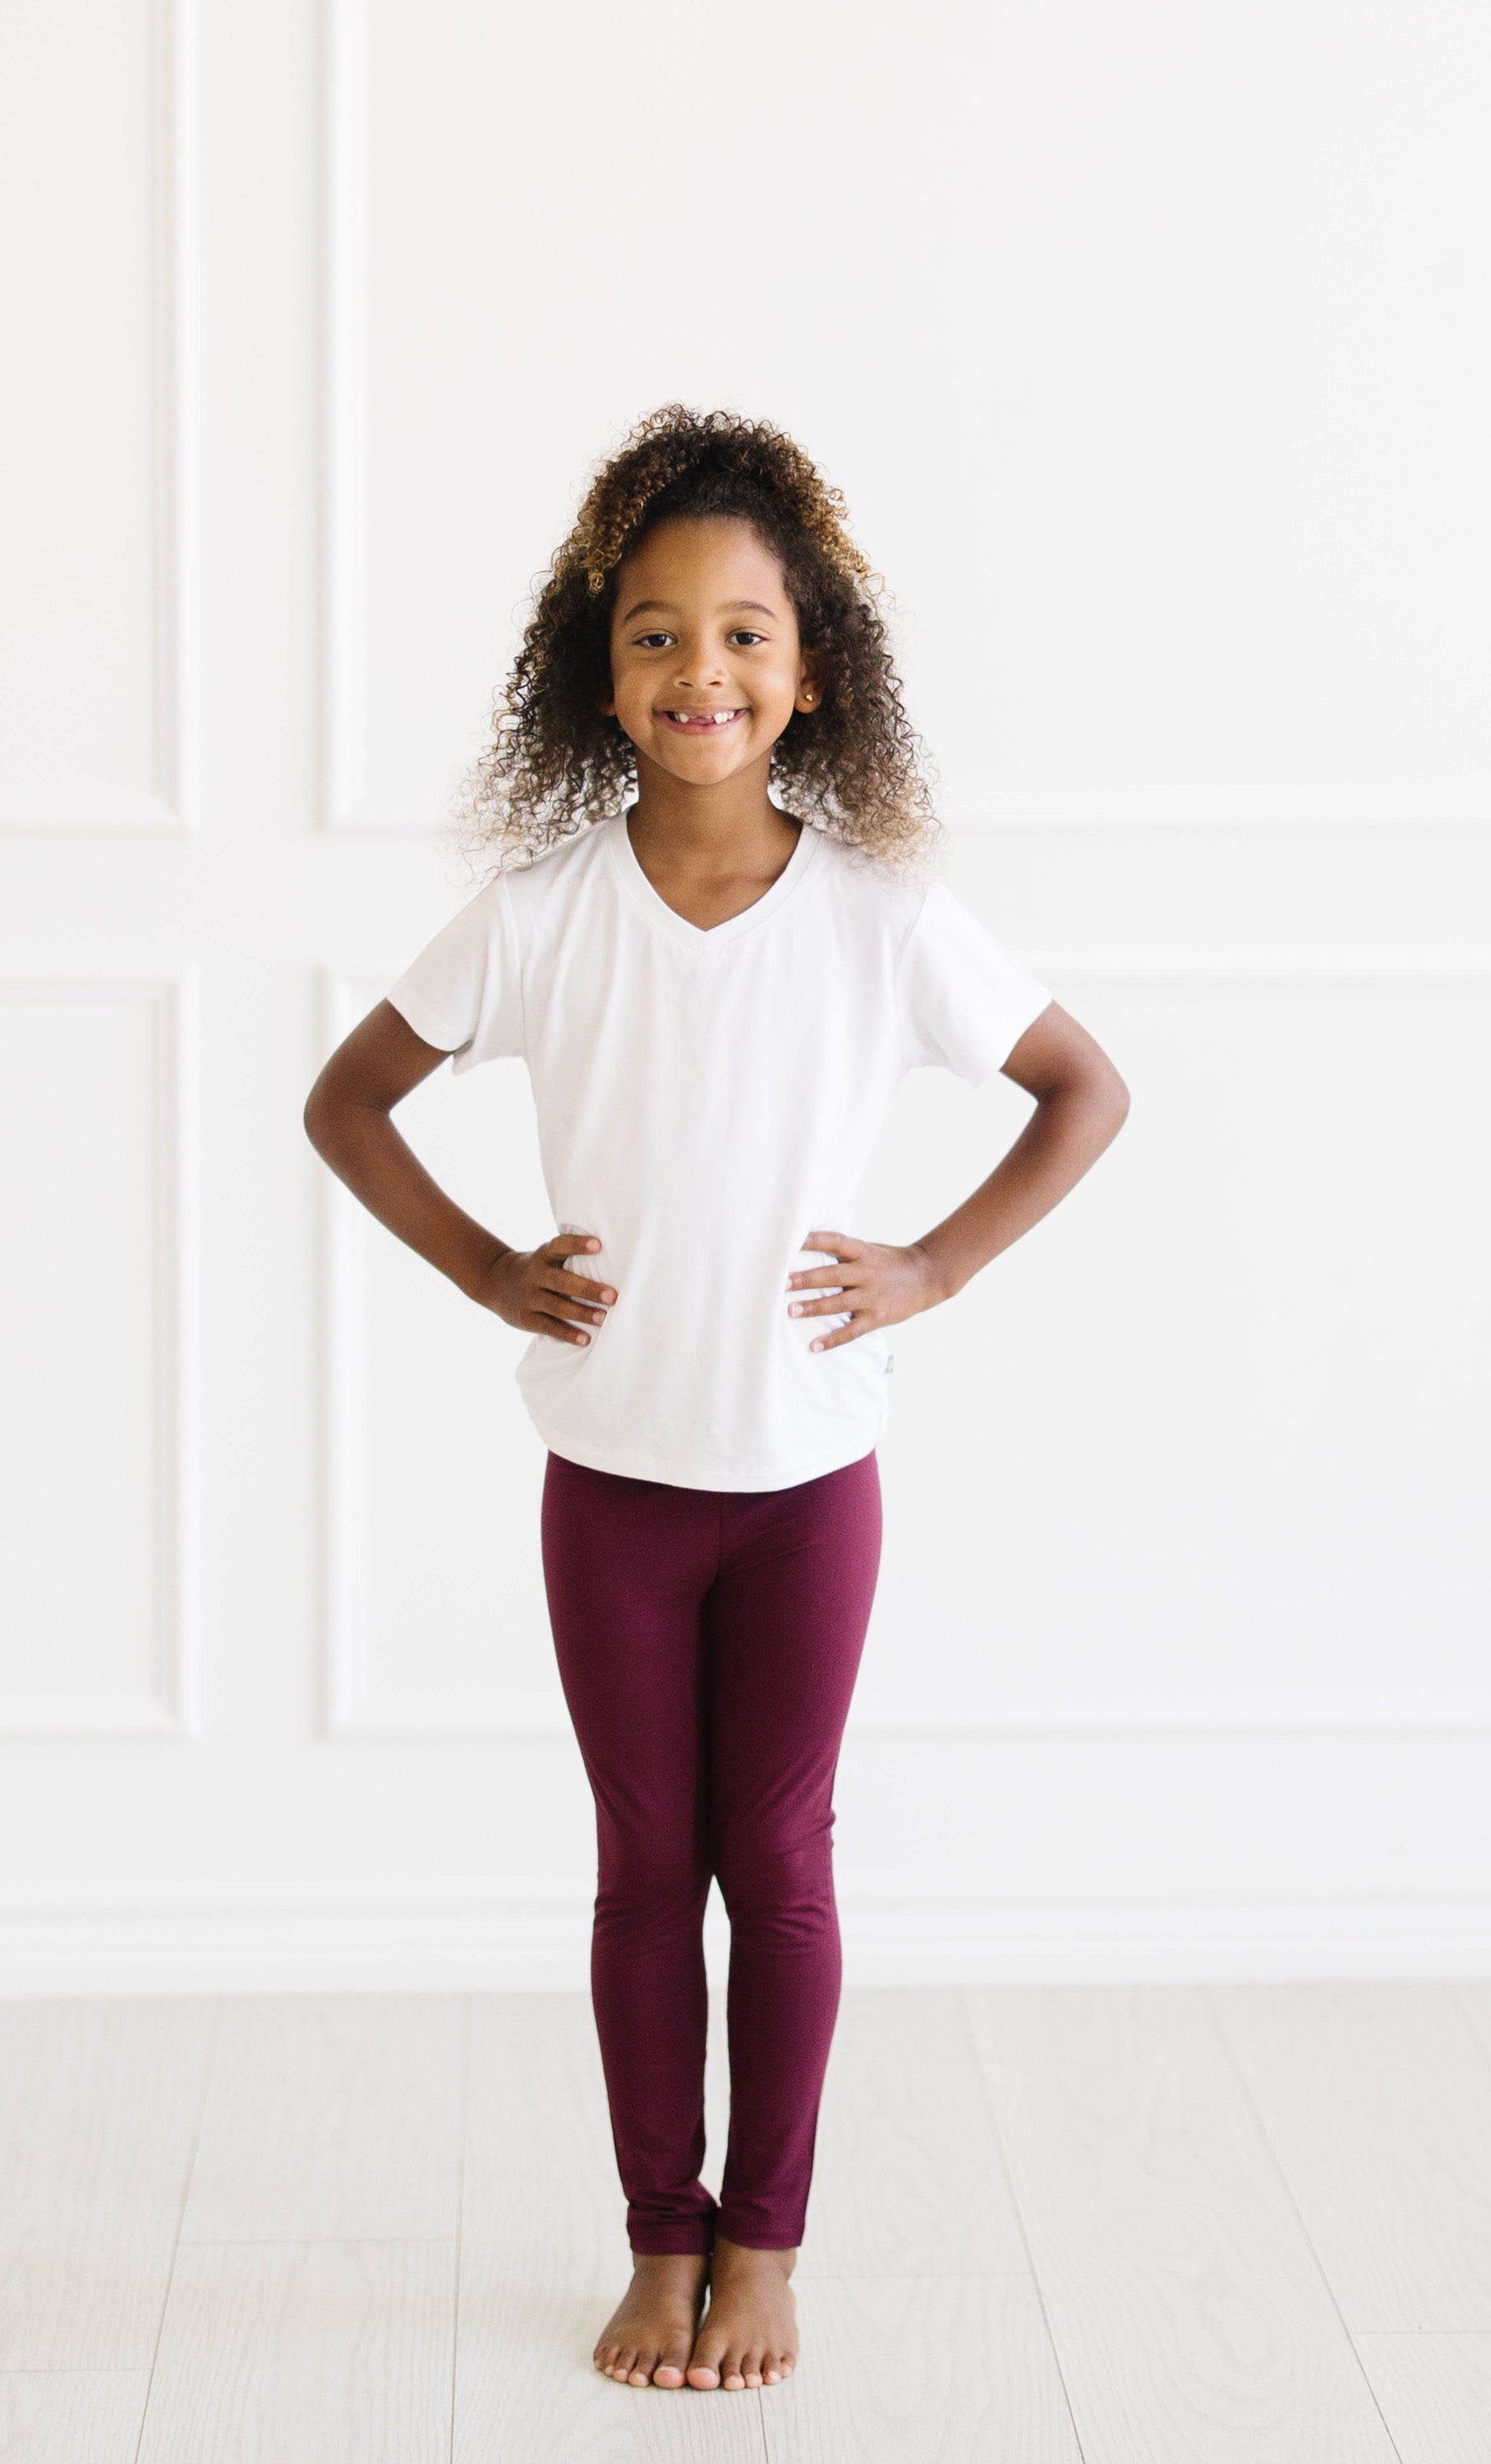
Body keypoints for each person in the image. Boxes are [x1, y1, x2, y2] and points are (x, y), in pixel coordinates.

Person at [303, 405, 1128, 2393]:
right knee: (641, 1869)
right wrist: (486, 1267)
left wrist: (931, 1265)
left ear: (812, 670)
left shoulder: (884, 915)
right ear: (599, 675)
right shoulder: (538, 915)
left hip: (805, 1481)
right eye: (657, 634)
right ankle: (658, 2238)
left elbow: (1081, 1088)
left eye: (747, 633)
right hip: (612, 1483)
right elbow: (347, 1102)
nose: (704, 671)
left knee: (782, 1866)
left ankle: (764, 2248)